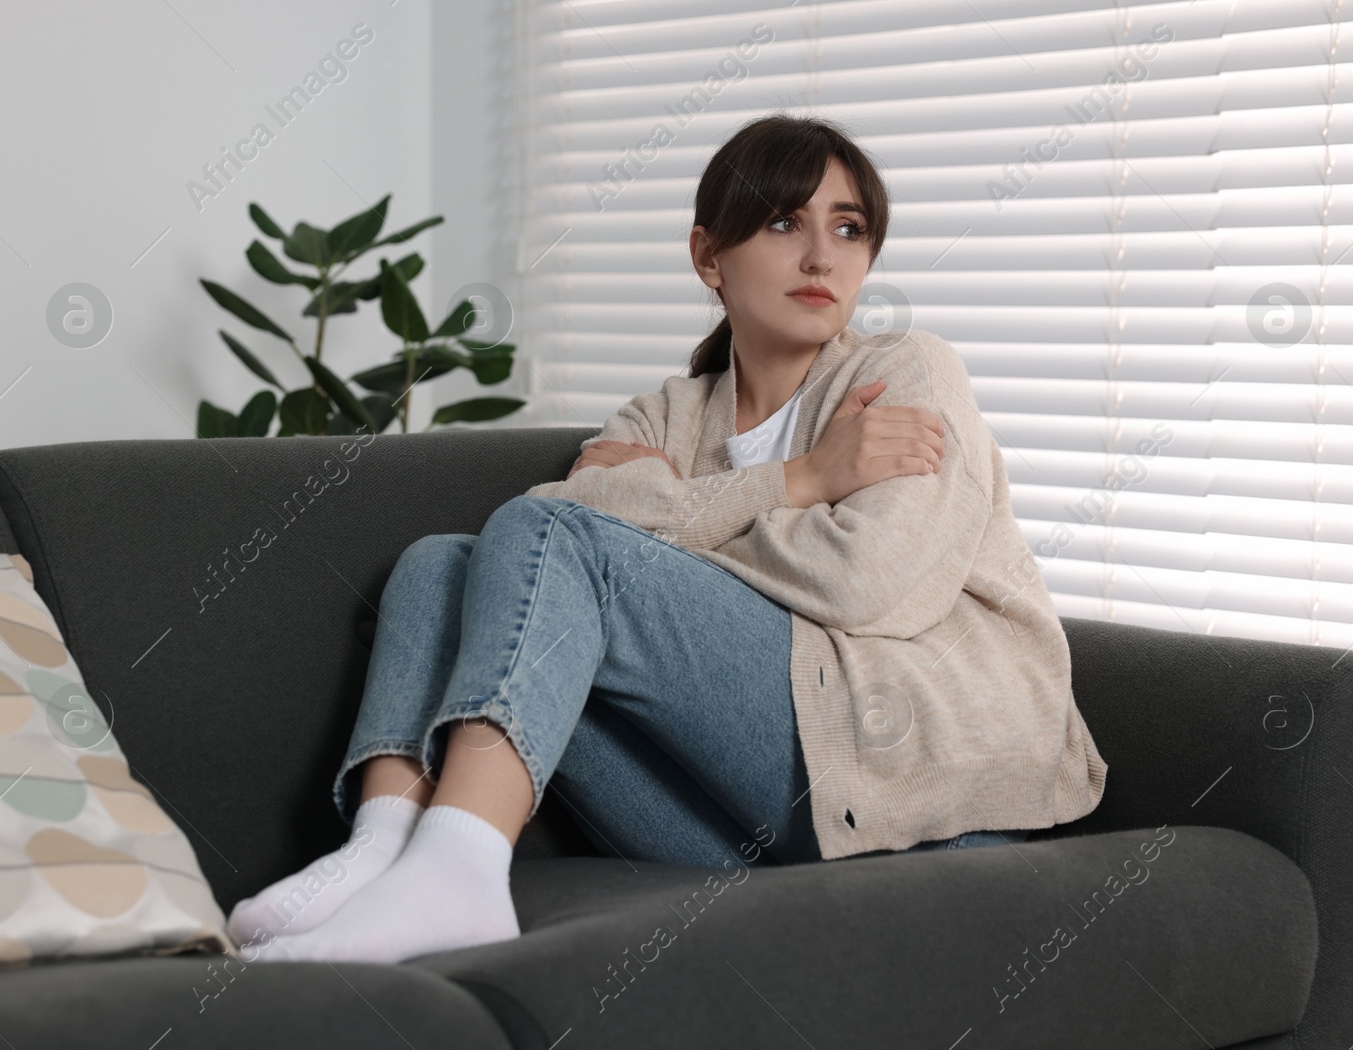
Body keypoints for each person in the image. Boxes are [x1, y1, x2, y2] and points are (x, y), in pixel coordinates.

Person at [238, 113, 1106, 966]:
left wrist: (666, 511)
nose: (821, 256)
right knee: (443, 564)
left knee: (553, 542)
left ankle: (455, 869)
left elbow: (864, 586)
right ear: (707, 256)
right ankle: (384, 850)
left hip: (911, 790)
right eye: (782, 222)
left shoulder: (904, 373)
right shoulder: (668, 412)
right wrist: (797, 483)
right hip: (745, 827)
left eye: (848, 228)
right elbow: (553, 526)